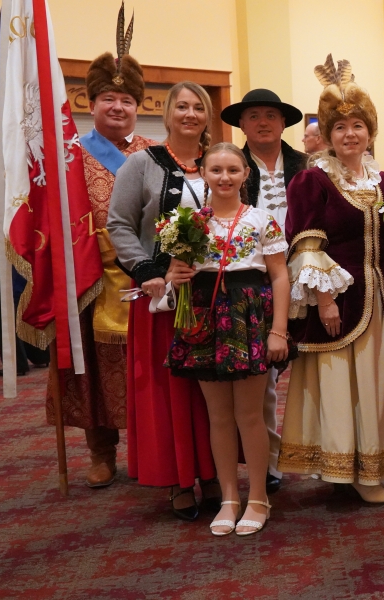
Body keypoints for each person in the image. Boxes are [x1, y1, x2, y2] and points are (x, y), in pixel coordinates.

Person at [278, 55, 384, 504]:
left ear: (370, 131)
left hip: (380, 301)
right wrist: (326, 299)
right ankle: (344, 467)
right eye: (340, 127)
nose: (349, 134)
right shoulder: (311, 180)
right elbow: (306, 244)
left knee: (374, 384)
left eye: (358, 125)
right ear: (328, 136)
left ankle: (369, 467)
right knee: (336, 384)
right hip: (338, 303)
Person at [46, 11, 153, 488]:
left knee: (151, 372)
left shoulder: (156, 151)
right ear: (90, 103)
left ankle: (153, 450)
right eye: (108, 98)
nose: (117, 106)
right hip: (92, 279)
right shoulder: (70, 157)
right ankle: (102, 451)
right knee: (95, 371)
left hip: (150, 277)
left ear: (137, 105)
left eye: (126, 99)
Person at [164, 143, 292, 536]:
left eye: (232, 170)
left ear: (245, 174)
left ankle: (257, 497)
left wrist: (278, 330)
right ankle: (228, 498)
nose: (224, 177)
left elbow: (280, 276)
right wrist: (173, 276)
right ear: (202, 172)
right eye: (215, 170)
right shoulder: (187, 223)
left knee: (250, 415)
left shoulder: (261, 219)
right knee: (217, 416)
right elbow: (174, 274)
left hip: (248, 316)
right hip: (203, 318)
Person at [108, 81, 219, 520]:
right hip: (162, 299)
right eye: (182, 106)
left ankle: (211, 471)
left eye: (198, 108)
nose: (190, 114)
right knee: (170, 390)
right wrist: (150, 273)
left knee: (211, 390)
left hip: (214, 295)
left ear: (207, 116)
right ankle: (177, 476)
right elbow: (119, 224)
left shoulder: (220, 161)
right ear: (168, 113)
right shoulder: (141, 164)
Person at [220, 88, 307, 495]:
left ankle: (321, 454)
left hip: (310, 276)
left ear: (283, 122)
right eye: (253, 115)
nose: (262, 122)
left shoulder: (307, 166)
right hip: (256, 283)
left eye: (270, 115)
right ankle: (270, 464)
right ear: (241, 123)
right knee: (265, 379)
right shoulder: (231, 167)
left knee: (315, 371)